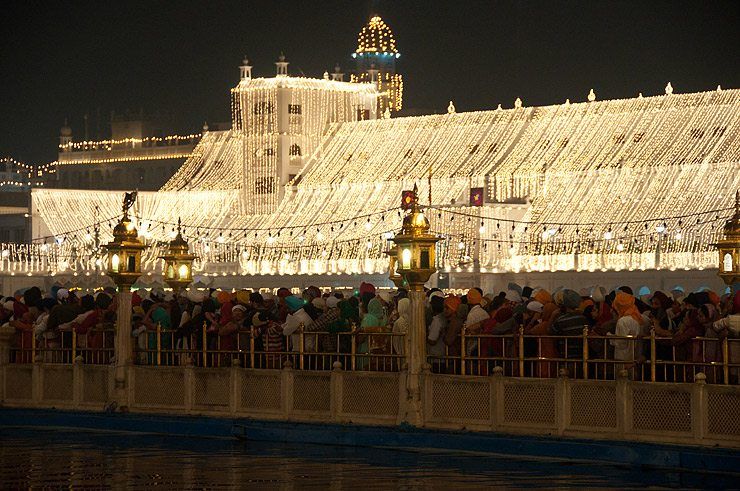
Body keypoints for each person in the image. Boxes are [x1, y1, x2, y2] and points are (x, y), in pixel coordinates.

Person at [608, 292, 642, 377]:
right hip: (633, 357)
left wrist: (608, 336)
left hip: (623, 358)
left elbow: (621, 343)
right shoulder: (636, 318)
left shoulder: (622, 321)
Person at [427, 296, 446, 372]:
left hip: (436, 356)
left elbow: (432, 340)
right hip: (441, 355)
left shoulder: (437, 320)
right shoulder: (442, 318)